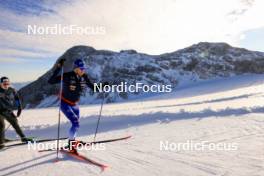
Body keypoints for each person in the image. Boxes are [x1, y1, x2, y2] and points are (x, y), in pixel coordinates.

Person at [48, 58, 106, 151]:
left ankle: (72, 141)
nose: (83, 70)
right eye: (81, 68)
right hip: (65, 103)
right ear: (76, 68)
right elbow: (51, 81)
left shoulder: (84, 76)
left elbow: (94, 88)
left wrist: (103, 86)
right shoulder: (67, 75)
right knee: (75, 123)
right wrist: (58, 68)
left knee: (76, 125)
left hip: (75, 105)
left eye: (84, 68)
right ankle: (71, 146)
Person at [0, 77, 33, 149]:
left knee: (15, 123)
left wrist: (19, 108)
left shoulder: (12, 90)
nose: (6, 84)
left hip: (8, 110)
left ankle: (23, 138)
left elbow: (17, 98)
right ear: (0, 83)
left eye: (7, 83)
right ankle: (1, 143)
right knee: (1, 125)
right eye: (4, 83)